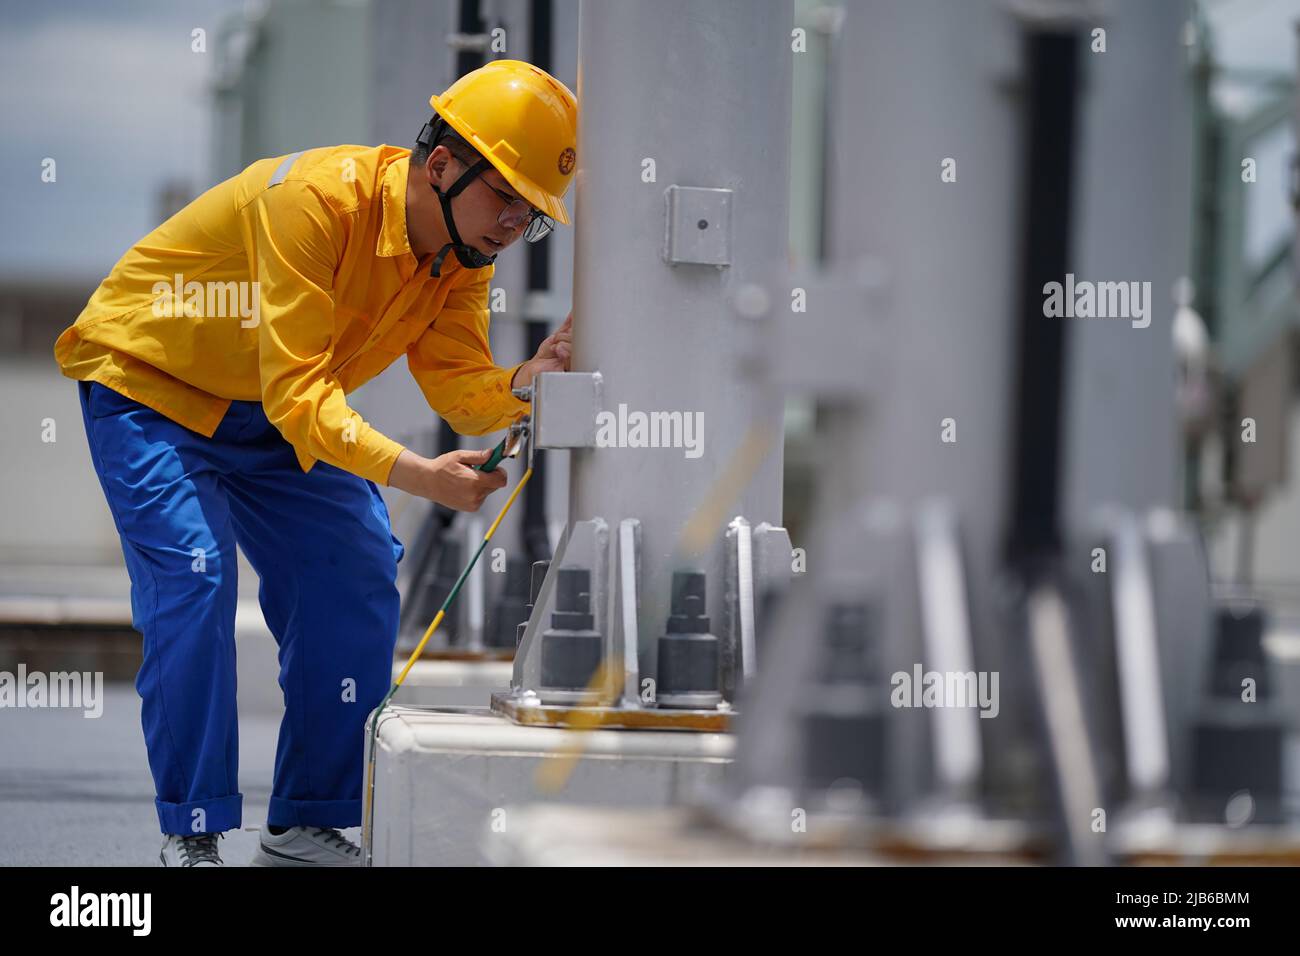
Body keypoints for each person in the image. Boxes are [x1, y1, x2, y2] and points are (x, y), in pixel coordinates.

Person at [52, 60, 576, 866]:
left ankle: (302, 822)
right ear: (441, 163)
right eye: (506, 196)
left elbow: (459, 390)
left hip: (265, 408)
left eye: (531, 214)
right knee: (194, 579)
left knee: (358, 568)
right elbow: (302, 397)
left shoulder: (460, 258)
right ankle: (191, 832)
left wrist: (521, 385)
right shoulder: (312, 201)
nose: (514, 223)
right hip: (150, 385)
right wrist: (418, 474)